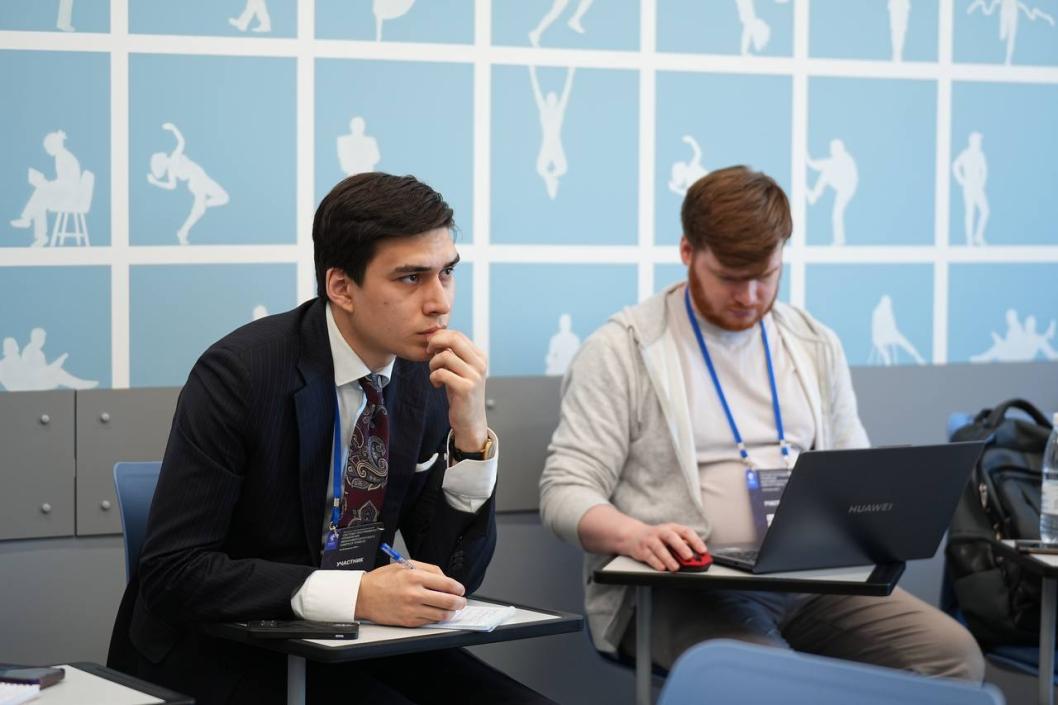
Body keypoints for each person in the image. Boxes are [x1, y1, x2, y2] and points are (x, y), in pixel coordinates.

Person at [109, 173, 555, 705]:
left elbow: (454, 574)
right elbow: (174, 572)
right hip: (224, 645)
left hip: (355, 640)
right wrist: (357, 593)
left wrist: (471, 438)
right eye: (411, 278)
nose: (439, 302)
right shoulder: (240, 374)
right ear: (342, 287)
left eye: (447, 273)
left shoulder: (424, 376)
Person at [539, 166, 984, 680]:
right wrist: (634, 534)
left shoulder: (813, 344)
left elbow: (856, 470)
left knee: (953, 656)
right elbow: (563, 491)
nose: (749, 296)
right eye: (730, 277)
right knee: (768, 680)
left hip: (811, 580)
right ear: (687, 252)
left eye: (766, 276)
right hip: (681, 589)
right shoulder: (621, 350)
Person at [147, 122, 229, 245]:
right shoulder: (173, 161)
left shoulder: (172, 167)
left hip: (203, 179)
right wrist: (173, 128)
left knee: (223, 197)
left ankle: (200, 207)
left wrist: (155, 182)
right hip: (197, 182)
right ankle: (183, 231)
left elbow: (171, 185)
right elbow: (181, 142)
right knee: (200, 210)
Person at [10, 130, 81, 247]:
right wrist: (48, 185)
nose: (47, 150)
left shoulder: (63, 157)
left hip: (70, 196)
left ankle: (30, 223)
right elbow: (63, 182)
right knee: (41, 197)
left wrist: (48, 185)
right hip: (67, 192)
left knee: (41, 193)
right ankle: (37, 233)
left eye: (48, 147)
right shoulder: (62, 155)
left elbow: (65, 183)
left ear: (55, 145)